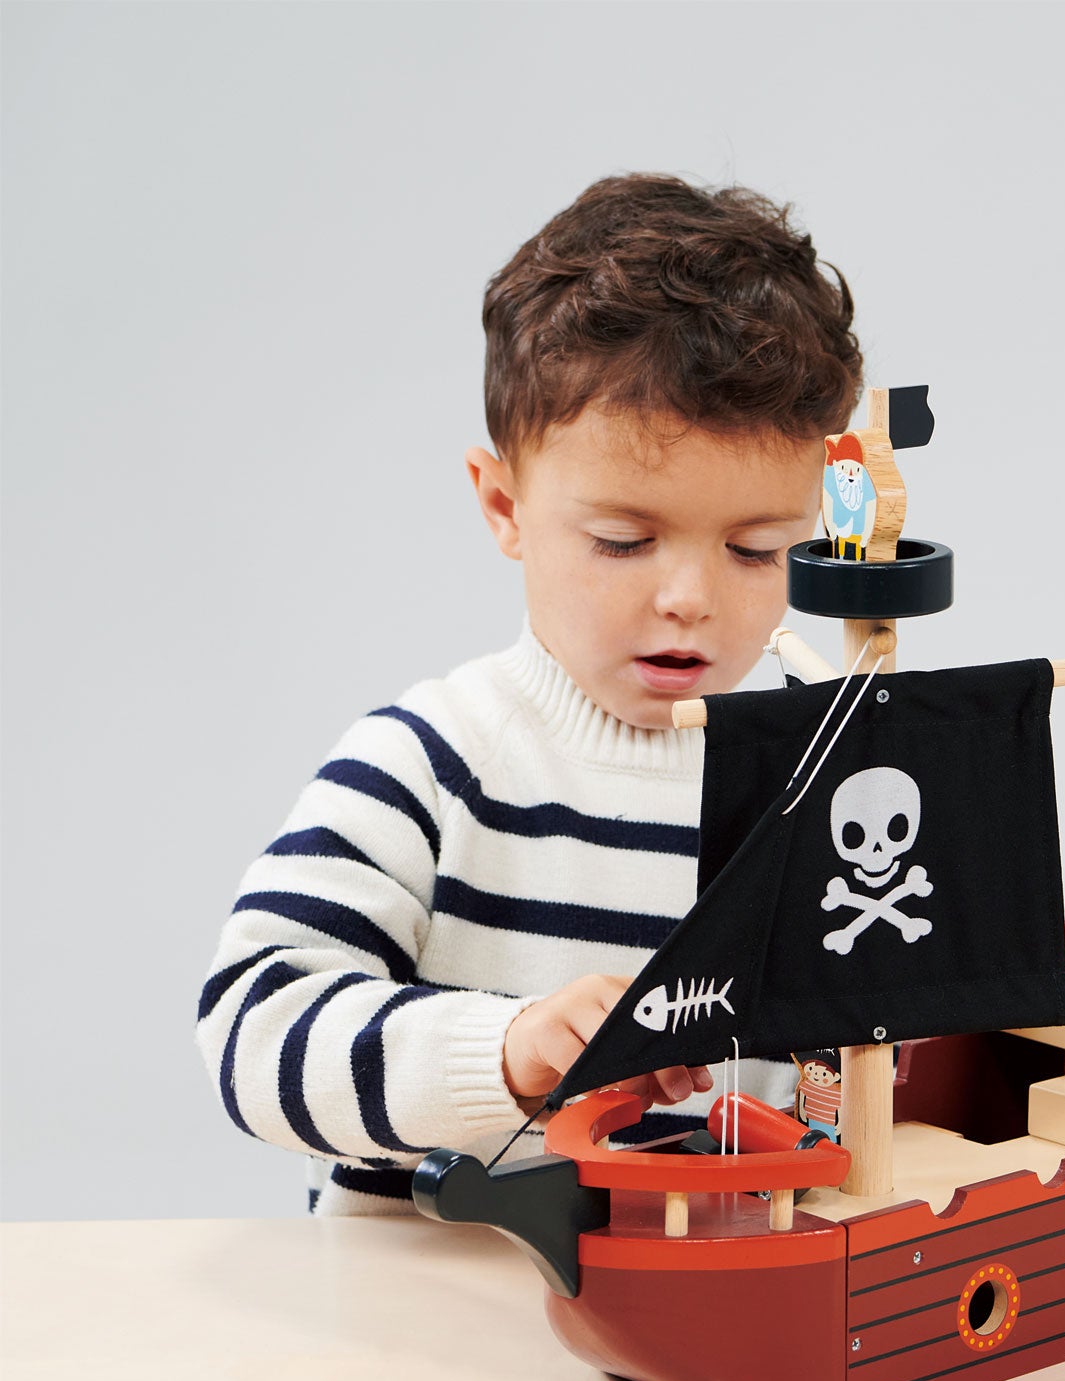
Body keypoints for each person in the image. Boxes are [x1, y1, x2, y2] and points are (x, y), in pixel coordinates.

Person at [196, 174, 864, 1215]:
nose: (688, 598)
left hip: (700, 1310)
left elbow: (843, 1090)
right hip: (424, 1304)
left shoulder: (821, 784)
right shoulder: (432, 763)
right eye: (623, 541)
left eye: (755, 548)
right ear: (505, 505)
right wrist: (503, 1053)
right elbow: (251, 1029)